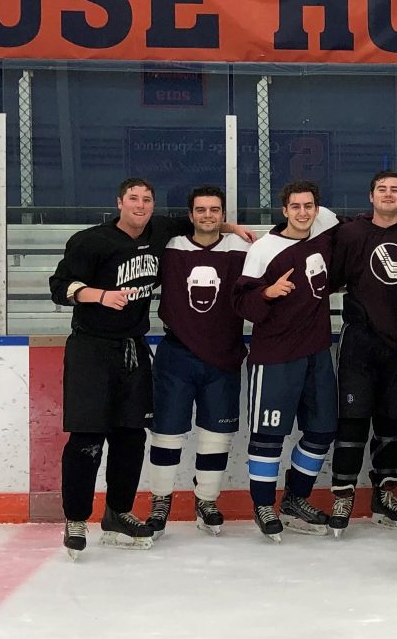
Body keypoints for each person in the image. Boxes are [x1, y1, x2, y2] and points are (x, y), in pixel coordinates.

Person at [48, 177, 252, 558]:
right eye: (133, 199)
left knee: (130, 437)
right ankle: (76, 518)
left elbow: (203, 223)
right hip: (91, 350)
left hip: (134, 349)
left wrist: (230, 227)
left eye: (146, 200)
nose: (140, 206)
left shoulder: (160, 231)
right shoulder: (90, 240)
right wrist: (100, 295)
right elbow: (59, 287)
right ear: (119, 202)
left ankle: (118, 513)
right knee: (88, 439)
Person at [232, 180, 340, 541]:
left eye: (309, 205)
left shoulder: (324, 231)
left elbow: (365, 225)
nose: (303, 212)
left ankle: (296, 499)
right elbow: (241, 303)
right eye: (296, 206)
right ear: (284, 210)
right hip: (275, 356)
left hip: (317, 353)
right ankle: (264, 504)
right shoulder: (264, 249)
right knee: (267, 436)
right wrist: (268, 292)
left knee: (322, 431)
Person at [146, 186, 251, 539]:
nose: (208, 215)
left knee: (216, 436)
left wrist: (233, 230)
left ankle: (206, 499)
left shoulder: (241, 248)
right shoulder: (170, 246)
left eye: (215, 210)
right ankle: (160, 499)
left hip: (224, 355)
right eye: (201, 210)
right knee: (166, 434)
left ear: (223, 214)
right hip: (176, 354)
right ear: (190, 215)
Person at [327, 171, 397, 537]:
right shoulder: (352, 232)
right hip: (360, 341)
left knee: (391, 421)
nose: (388, 195)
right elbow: (331, 275)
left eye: (395, 190)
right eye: (382, 189)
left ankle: (384, 493)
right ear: (370, 196)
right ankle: (343, 492)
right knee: (353, 418)